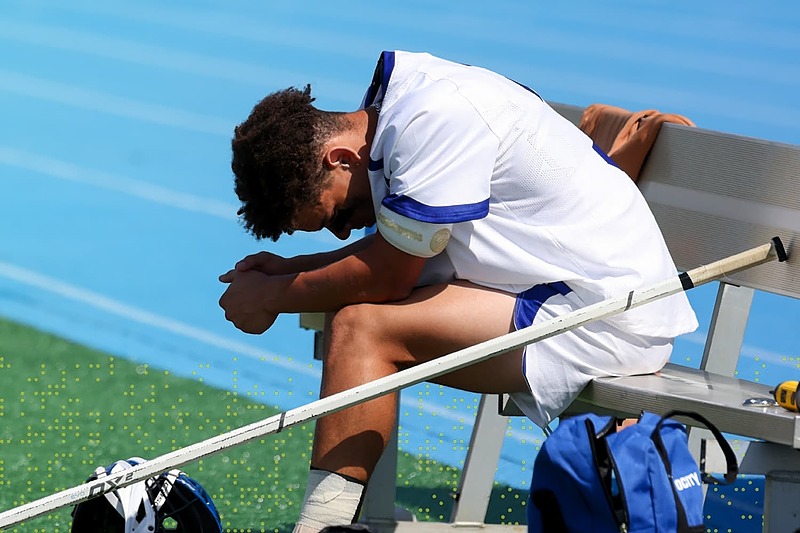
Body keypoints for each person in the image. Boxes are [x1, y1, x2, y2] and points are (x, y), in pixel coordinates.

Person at [218, 50, 698, 531]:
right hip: (561, 291)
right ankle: (334, 523)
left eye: (335, 216)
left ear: (341, 158)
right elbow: (393, 252)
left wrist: (272, 295)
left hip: (605, 314)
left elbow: (390, 274)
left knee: (364, 328)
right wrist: (287, 271)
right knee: (358, 319)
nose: (343, 233)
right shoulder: (400, 113)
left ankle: (321, 527)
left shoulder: (432, 118)